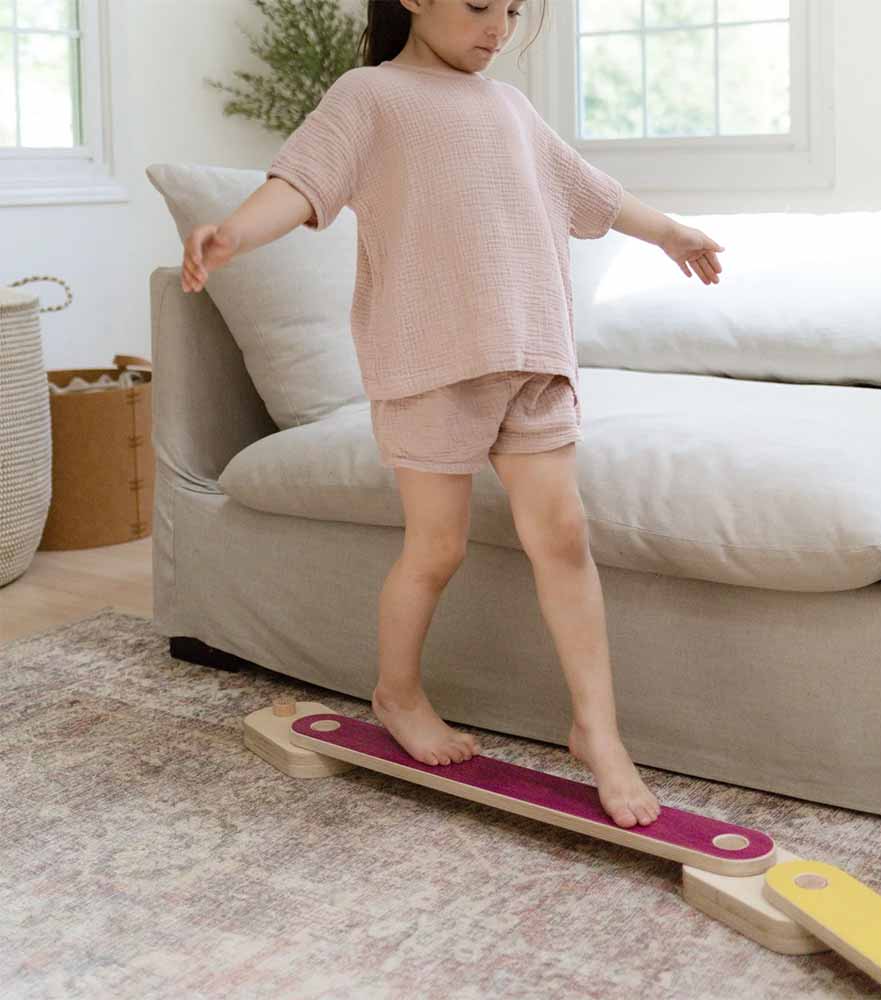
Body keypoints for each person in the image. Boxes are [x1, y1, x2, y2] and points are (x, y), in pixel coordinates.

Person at [180, 0, 725, 829]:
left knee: (564, 536)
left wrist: (671, 233)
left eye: (511, 10)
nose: (498, 28)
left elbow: (591, 191)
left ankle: (599, 731)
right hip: (432, 365)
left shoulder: (511, 106)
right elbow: (300, 181)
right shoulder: (370, 96)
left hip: (532, 357)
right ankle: (397, 692)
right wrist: (233, 236)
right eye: (478, 6)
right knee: (437, 548)